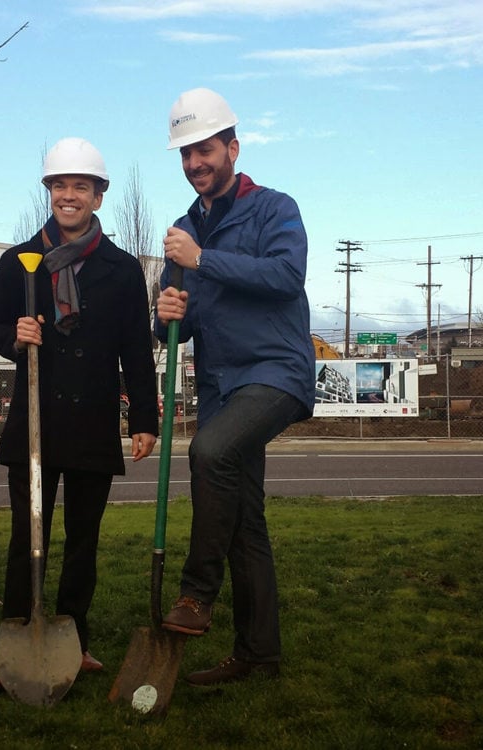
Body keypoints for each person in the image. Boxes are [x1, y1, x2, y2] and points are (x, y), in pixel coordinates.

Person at [0, 137, 159, 686]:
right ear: (49, 194)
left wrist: (146, 419)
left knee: (83, 539)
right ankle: (17, 630)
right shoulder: (18, 263)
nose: (69, 195)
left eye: (81, 186)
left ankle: (73, 638)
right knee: (25, 534)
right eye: (60, 186)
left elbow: (135, 348)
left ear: (98, 197)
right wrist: (14, 333)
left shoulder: (123, 269)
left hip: (92, 424)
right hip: (34, 422)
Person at [155, 88, 316, 686]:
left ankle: (196, 594)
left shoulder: (275, 207)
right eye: (186, 155)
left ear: (231, 148)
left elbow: (284, 276)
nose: (196, 163)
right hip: (222, 388)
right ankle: (258, 656)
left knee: (210, 451)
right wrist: (168, 311)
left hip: (277, 373)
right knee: (246, 522)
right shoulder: (183, 229)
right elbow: (184, 318)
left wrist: (201, 261)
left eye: (204, 150)